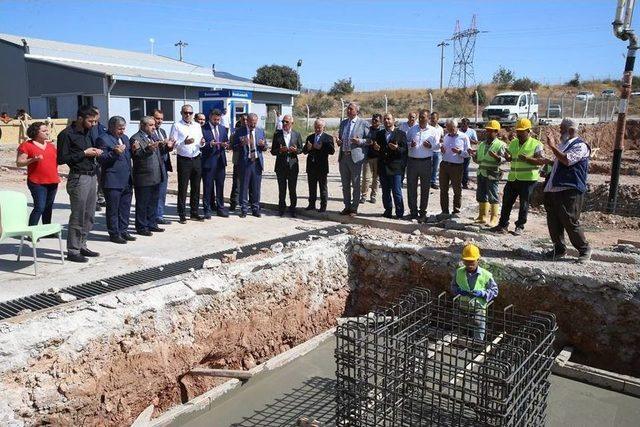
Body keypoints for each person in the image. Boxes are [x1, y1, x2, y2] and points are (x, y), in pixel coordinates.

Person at [56, 105, 102, 263]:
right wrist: (84, 153)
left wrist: (95, 151)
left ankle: (82, 244)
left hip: (91, 176)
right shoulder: (66, 134)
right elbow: (61, 159)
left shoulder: (89, 132)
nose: (94, 124)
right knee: (78, 215)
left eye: (95, 121)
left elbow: (90, 149)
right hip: (78, 178)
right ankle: (73, 250)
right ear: (80, 118)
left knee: (89, 215)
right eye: (91, 121)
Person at [543, 118, 592, 263]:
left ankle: (584, 249)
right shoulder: (563, 145)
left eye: (561, 129)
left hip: (570, 189)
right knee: (553, 220)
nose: (559, 132)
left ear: (570, 130)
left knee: (569, 220)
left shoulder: (580, 146)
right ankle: (559, 249)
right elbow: (559, 162)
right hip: (554, 188)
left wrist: (552, 147)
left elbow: (567, 160)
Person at [491, 118, 545, 235]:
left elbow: (542, 161)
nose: (519, 134)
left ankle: (520, 226)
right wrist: (507, 156)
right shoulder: (514, 142)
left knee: (524, 204)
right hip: (513, 178)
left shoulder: (536, 144)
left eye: (521, 131)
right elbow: (510, 157)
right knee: (506, 202)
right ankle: (503, 225)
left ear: (528, 131)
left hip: (528, 180)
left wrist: (528, 159)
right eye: (518, 131)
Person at [95, 116, 135, 244]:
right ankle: (114, 233)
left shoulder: (125, 138)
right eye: (119, 128)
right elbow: (101, 159)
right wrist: (114, 153)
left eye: (123, 128)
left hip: (127, 179)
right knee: (113, 209)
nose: (122, 131)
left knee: (125, 207)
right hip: (112, 180)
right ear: (111, 127)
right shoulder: (103, 139)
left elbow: (128, 156)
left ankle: (123, 230)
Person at [16, 121, 60, 227]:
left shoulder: (51, 146)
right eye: (44, 131)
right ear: (36, 132)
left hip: (53, 180)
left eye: (47, 130)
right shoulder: (26, 145)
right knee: (40, 206)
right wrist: (32, 159)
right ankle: (31, 231)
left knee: (48, 207)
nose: (47, 132)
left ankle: (46, 229)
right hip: (36, 182)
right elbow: (19, 163)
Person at [450, 244, 498, 341]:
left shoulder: (486, 275)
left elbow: (495, 291)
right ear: (463, 260)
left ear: (478, 260)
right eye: (466, 262)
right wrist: (459, 291)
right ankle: (458, 342)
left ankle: (477, 344)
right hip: (462, 307)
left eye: (472, 262)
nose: (469, 265)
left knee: (479, 325)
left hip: (478, 309)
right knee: (460, 325)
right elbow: (453, 287)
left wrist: (482, 293)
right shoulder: (459, 272)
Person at [130, 117, 166, 236]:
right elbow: (137, 156)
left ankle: (152, 223)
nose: (154, 127)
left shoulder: (153, 136)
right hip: (144, 176)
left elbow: (160, 152)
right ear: (143, 125)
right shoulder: (135, 138)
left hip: (156, 175)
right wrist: (148, 149)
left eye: (154, 125)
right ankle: (141, 226)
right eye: (151, 125)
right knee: (142, 203)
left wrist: (169, 146)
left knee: (153, 202)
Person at [170, 104, 205, 224]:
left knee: (196, 187)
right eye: (186, 113)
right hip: (183, 159)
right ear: (181, 113)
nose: (188, 115)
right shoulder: (177, 125)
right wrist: (183, 142)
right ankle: (182, 214)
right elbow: (172, 144)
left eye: (190, 113)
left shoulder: (197, 126)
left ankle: (194, 212)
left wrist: (202, 143)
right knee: (183, 188)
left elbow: (200, 142)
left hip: (196, 158)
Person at [405, 109, 439, 222]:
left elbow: (438, 146)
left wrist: (430, 146)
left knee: (425, 188)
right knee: (411, 187)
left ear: (428, 118)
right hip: (412, 162)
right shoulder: (412, 130)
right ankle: (413, 212)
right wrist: (411, 144)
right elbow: (405, 143)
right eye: (420, 117)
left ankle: (423, 212)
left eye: (423, 117)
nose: (420, 119)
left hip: (426, 162)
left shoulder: (433, 131)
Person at [336, 102, 369, 217]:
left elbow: (369, 140)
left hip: (355, 158)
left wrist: (359, 141)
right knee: (345, 184)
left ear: (357, 111)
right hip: (343, 156)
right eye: (347, 109)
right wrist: (339, 142)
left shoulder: (363, 123)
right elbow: (341, 137)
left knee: (355, 184)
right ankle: (347, 206)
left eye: (350, 109)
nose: (348, 111)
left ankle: (354, 208)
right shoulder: (344, 123)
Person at [471, 120, 505, 227]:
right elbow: (479, 160)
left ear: (496, 132)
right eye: (487, 130)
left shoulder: (500, 145)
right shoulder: (482, 144)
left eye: (491, 131)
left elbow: (505, 159)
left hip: (492, 173)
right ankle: (482, 216)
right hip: (481, 172)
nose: (488, 133)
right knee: (481, 195)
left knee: (493, 196)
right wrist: (473, 156)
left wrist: (497, 157)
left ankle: (494, 218)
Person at [233, 113, 268, 217]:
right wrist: (240, 144)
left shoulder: (260, 131)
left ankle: (255, 209)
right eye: (251, 122)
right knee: (244, 187)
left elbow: (265, 147)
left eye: (255, 122)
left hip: (257, 163)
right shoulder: (239, 132)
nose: (253, 124)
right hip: (245, 163)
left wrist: (263, 145)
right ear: (247, 121)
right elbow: (233, 147)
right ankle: (243, 210)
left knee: (256, 187)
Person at [374, 113, 407, 219]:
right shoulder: (380, 134)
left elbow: (404, 150)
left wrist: (396, 148)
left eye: (389, 119)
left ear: (394, 120)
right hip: (383, 167)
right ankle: (388, 211)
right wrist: (376, 148)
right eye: (385, 119)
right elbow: (377, 149)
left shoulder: (401, 134)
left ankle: (399, 213)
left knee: (396, 191)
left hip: (396, 168)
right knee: (385, 191)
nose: (386, 121)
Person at [271, 114, 303, 217]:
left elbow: (301, 149)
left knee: (292, 189)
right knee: (282, 189)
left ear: (292, 123)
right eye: (283, 122)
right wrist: (280, 150)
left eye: (286, 122)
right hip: (281, 166)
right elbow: (272, 151)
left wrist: (295, 150)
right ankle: (281, 209)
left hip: (293, 166)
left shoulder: (296, 134)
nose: (284, 124)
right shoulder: (277, 134)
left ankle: (293, 209)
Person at [201, 109, 230, 218]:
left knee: (220, 186)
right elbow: (200, 145)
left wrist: (226, 144)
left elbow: (226, 141)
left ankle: (220, 208)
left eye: (218, 119)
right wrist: (209, 144)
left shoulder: (223, 129)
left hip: (220, 162)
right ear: (210, 117)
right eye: (215, 119)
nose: (217, 121)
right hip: (208, 162)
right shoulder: (203, 129)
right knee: (208, 187)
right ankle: (207, 209)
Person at [439, 119, 470, 217]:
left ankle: (456, 210)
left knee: (457, 189)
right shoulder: (446, 137)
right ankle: (444, 211)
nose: (450, 131)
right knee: (443, 189)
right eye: (448, 129)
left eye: (451, 129)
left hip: (456, 166)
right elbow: (443, 150)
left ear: (456, 127)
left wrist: (459, 152)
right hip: (444, 165)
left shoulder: (464, 137)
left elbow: (468, 154)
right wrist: (442, 150)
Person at [304, 119, 335, 212]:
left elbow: (332, 151)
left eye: (319, 127)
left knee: (323, 187)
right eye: (316, 127)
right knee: (312, 186)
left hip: (322, 166)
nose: (317, 129)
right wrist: (308, 148)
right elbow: (304, 151)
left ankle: (323, 205)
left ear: (323, 128)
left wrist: (321, 148)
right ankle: (311, 204)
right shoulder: (310, 137)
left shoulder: (328, 138)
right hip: (311, 166)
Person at [152, 109, 175, 225]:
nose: (159, 121)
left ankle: (159, 215)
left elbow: (165, 149)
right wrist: (162, 143)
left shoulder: (163, 131)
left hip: (164, 166)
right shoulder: (149, 132)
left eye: (161, 119)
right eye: (157, 118)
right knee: (154, 193)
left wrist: (170, 146)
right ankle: (152, 216)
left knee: (162, 192)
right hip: (154, 167)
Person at [360, 113, 381, 204]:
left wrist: (378, 146)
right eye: (373, 120)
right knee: (366, 178)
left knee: (376, 179)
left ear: (380, 122)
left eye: (376, 120)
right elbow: (363, 140)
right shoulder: (367, 130)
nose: (373, 121)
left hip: (378, 158)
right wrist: (368, 142)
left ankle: (373, 195)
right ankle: (364, 195)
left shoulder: (382, 132)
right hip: (368, 157)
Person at [90, 107, 108, 211]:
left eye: (98, 113)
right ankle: (94, 201)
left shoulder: (102, 128)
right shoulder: (88, 128)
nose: (96, 115)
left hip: (101, 156)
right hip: (91, 156)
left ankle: (101, 198)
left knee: (102, 178)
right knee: (93, 180)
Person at [229, 114, 247, 211]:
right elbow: (232, 147)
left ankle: (247, 203)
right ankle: (233, 203)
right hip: (238, 161)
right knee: (236, 183)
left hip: (249, 162)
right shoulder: (235, 134)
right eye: (243, 120)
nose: (244, 121)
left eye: (246, 120)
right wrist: (240, 144)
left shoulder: (252, 132)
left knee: (249, 184)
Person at [398, 111, 417, 185]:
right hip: (404, 150)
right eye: (410, 116)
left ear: (416, 118)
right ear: (408, 117)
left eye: (413, 117)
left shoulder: (417, 127)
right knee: (402, 167)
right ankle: (400, 182)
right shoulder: (403, 125)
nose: (411, 118)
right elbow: (399, 137)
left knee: (411, 168)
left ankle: (410, 182)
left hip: (413, 151)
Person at [459, 118, 478, 189]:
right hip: (458, 153)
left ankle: (464, 183)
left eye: (464, 125)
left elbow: (476, 142)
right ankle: (456, 182)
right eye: (462, 125)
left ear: (468, 125)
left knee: (465, 169)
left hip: (467, 153)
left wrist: (469, 140)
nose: (463, 126)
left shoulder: (472, 131)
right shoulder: (458, 131)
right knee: (457, 168)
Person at [429, 111, 445, 189]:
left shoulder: (441, 129)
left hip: (437, 151)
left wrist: (441, 142)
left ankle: (433, 182)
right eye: (431, 118)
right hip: (428, 150)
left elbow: (442, 138)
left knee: (436, 168)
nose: (432, 119)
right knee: (428, 167)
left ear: (437, 119)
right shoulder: (427, 128)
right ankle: (427, 181)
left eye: (434, 118)